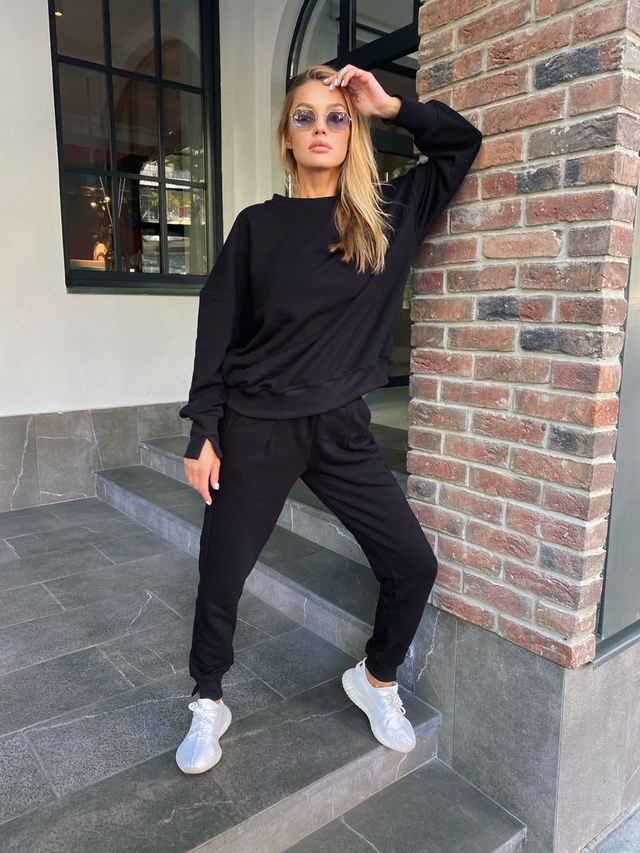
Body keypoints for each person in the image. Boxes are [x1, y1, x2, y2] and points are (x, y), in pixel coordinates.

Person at [175, 64, 483, 775]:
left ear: (353, 132)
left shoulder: (389, 214)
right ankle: (208, 697)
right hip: (256, 425)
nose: (321, 128)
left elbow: (460, 144)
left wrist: (390, 105)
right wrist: (204, 429)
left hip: (341, 429)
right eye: (305, 116)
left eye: (336, 117)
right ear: (286, 137)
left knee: (412, 564)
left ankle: (376, 678)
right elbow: (217, 329)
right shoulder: (257, 226)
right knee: (222, 573)